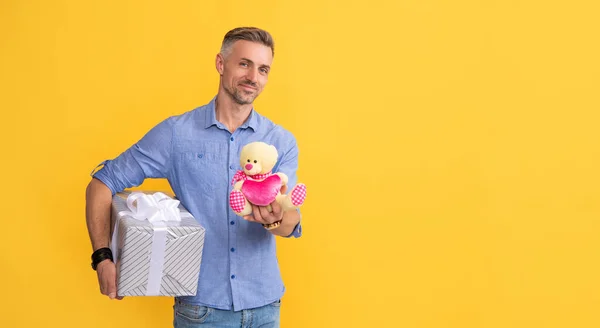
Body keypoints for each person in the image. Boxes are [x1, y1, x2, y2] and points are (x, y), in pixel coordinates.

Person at [85, 26, 303, 327]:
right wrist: (102, 257)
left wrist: (274, 218)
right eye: (244, 64)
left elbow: (291, 222)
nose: (253, 77)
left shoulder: (280, 141)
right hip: (201, 312)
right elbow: (102, 182)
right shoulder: (177, 134)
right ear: (220, 63)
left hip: (265, 308)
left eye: (263, 69)